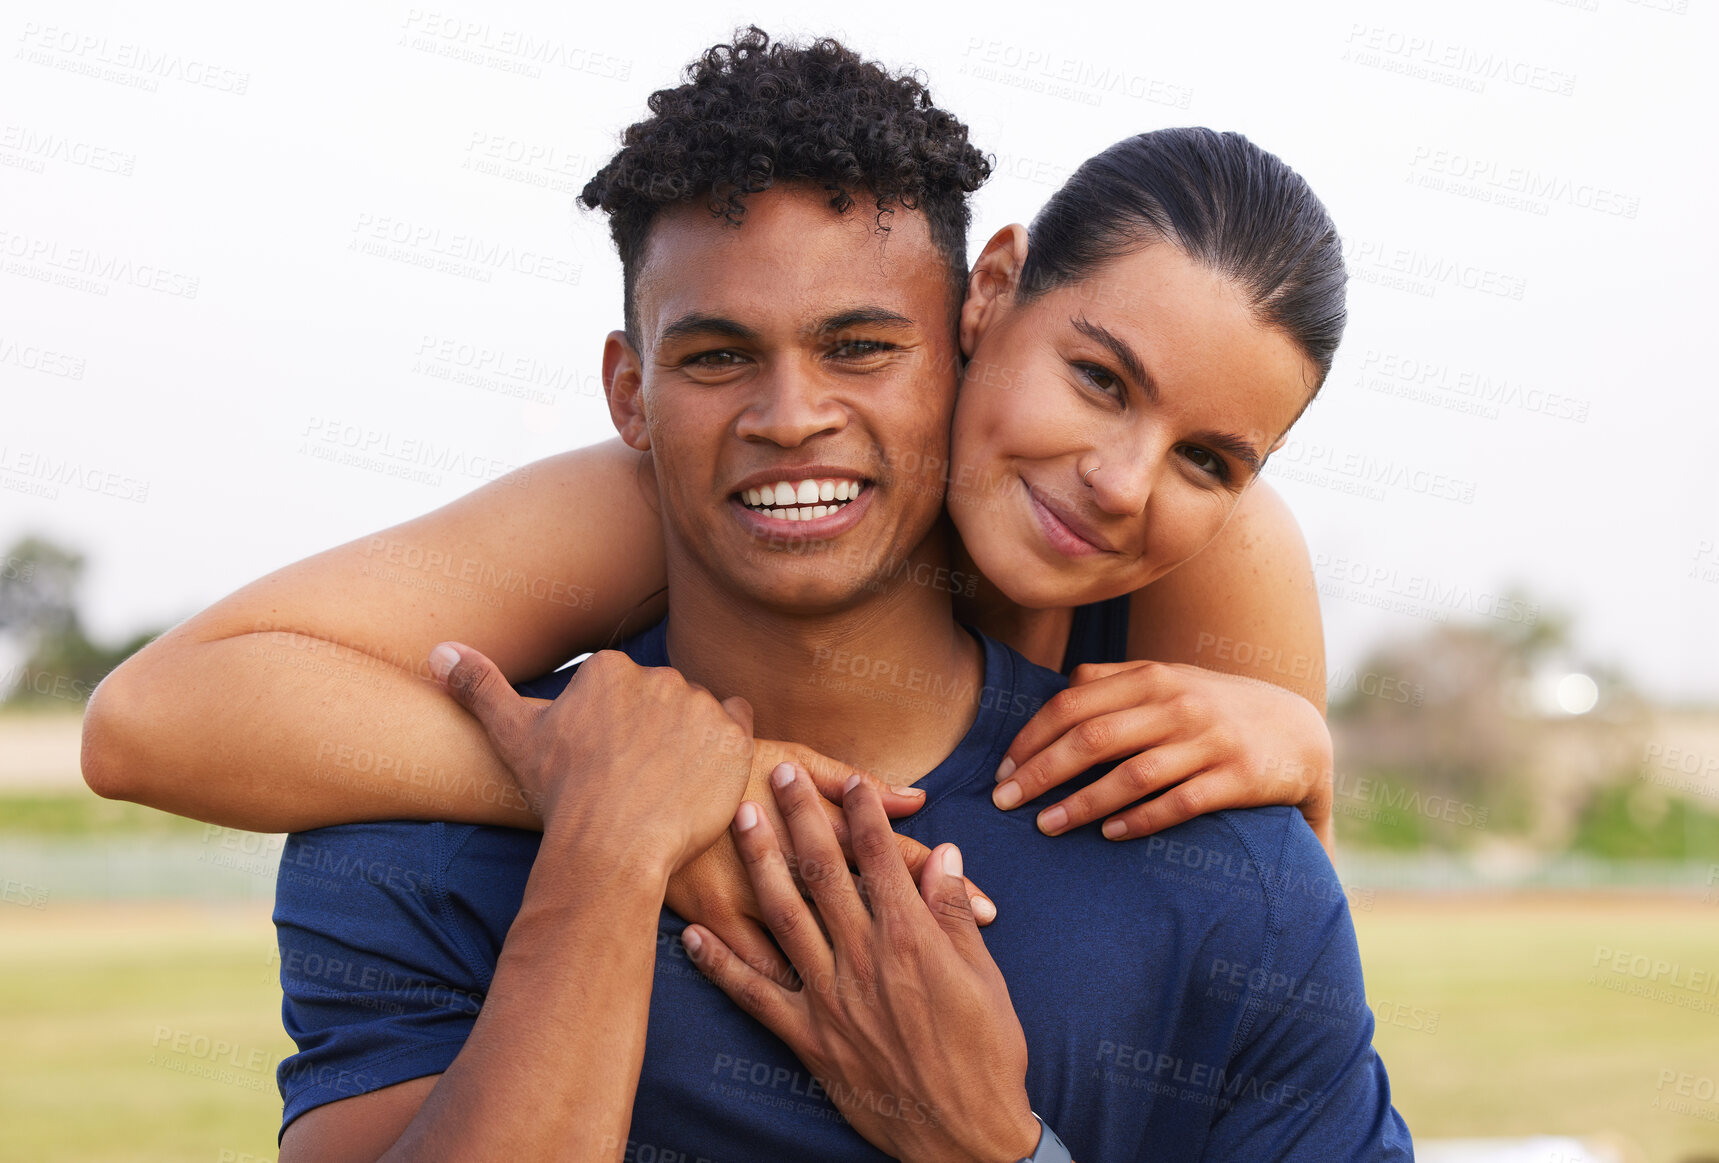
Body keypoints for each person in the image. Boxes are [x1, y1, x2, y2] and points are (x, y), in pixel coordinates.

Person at [254, 30, 1410, 1161]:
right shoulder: (402, 848)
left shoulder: (1225, 859)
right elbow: (162, 711)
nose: (792, 414)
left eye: (860, 345)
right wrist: (613, 832)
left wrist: (996, 1148)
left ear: (961, 338)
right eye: (714, 356)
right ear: (631, 393)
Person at [82, 32, 1342, 970]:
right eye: (1095, 377)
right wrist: (652, 784)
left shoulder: (1212, 547)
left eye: (1207, 458)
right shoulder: (681, 499)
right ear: (992, 295)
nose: (1120, 476)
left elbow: (1252, 978)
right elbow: (156, 718)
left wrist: (1306, 747)